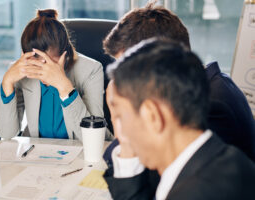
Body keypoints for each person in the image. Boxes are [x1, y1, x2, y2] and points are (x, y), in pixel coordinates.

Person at [104, 39, 255, 200]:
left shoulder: (194, 193)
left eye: (120, 117)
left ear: (153, 116)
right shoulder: (227, 161)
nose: (121, 135)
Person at [103, 5, 255, 164]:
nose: (122, 83)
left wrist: (121, 115)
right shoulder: (208, 83)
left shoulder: (210, 106)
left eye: (128, 72)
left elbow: (144, 170)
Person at [0, 9, 112, 140]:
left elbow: (94, 137)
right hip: (37, 152)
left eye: (49, 62)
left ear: (65, 53)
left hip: (79, 152)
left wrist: (63, 86)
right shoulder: (22, 70)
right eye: (36, 63)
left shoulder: (91, 70)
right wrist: (7, 82)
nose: (43, 71)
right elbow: (6, 134)